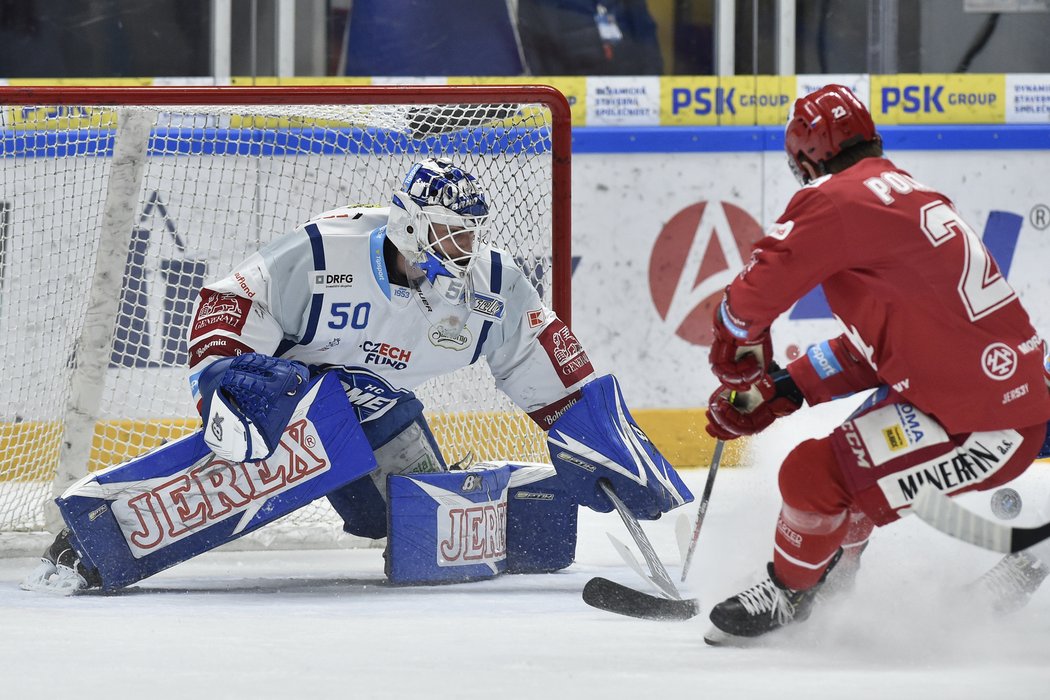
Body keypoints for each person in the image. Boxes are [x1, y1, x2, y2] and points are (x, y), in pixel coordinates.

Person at [25, 157, 692, 593]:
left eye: (471, 234)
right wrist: (221, 374)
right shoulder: (325, 251)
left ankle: (507, 500)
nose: (466, 249)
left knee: (400, 520)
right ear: (408, 227)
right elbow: (229, 299)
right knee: (280, 414)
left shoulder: (492, 286)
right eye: (449, 234)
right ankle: (95, 534)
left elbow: (550, 370)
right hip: (285, 390)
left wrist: (593, 432)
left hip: (374, 401)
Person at [701, 84, 1050, 646]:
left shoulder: (835, 201)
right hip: (984, 395)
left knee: (811, 476)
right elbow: (896, 343)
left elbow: (745, 307)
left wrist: (737, 359)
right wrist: (788, 386)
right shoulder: (911, 194)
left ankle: (790, 593)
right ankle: (832, 579)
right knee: (842, 481)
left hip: (985, 424)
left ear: (806, 157)